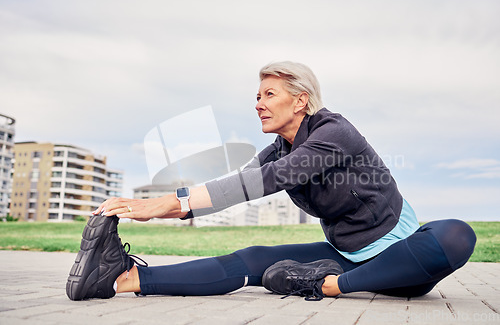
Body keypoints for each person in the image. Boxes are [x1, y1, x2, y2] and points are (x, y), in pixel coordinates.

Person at [66, 61, 476, 301]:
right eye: (257, 96)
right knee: (255, 256)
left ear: (300, 101)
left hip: (402, 260)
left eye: (268, 94)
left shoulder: (334, 131)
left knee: (456, 235)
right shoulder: (279, 150)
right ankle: (121, 279)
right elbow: (239, 185)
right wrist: (166, 208)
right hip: (349, 253)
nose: (258, 103)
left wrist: (159, 206)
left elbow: (271, 180)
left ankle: (329, 286)